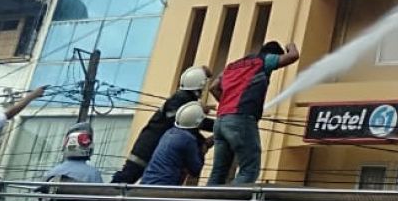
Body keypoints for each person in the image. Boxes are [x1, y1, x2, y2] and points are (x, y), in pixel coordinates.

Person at [207, 41, 299, 186]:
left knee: (219, 171)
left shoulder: (232, 66)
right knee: (249, 170)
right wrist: (290, 45)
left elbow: (213, 87)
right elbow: (293, 56)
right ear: (273, 54)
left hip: (220, 121)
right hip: (241, 118)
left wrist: (226, 104)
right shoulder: (264, 60)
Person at [111, 65, 218, 184]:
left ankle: (108, 198)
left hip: (148, 144)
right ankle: (105, 198)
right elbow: (190, 123)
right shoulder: (182, 99)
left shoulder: (181, 98)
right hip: (149, 146)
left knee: (129, 178)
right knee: (127, 177)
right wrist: (217, 126)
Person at [140, 102, 211, 186]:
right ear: (198, 122)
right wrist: (203, 149)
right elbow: (195, 169)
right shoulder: (187, 140)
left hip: (146, 183)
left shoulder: (169, 133)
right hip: (164, 187)